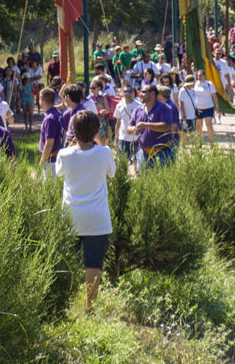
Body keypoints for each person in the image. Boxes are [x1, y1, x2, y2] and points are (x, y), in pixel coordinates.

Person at [54, 110, 116, 314]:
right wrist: (98, 141)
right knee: (93, 265)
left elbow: (59, 173)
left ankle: (64, 305)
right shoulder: (104, 153)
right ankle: (91, 308)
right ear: (96, 130)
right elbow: (112, 173)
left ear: (73, 131)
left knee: (66, 263)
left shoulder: (65, 154)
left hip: (71, 217)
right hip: (97, 218)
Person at [129, 84, 177, 169]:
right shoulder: (138, 109)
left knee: (164, 179)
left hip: (163, 152)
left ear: (152, 94)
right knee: (144, 180)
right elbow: (128, 128)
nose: (140, 94)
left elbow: (166, 126)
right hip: (144, 152)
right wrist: (134, 129)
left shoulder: (164, 108)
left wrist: (145, 125)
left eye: (143, 92)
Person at [112, 85, 141, 164]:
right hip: (123, 137)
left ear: (132, 93)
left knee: (136, 162)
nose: (127, 93)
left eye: (129, 91)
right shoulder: (119, 105)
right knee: (123, 162)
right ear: (122, 93)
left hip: (135, 138)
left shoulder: (138, 105)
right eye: (125, 91)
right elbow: (117, 124)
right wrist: (116, 139)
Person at [38, 87, 63, 178]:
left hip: (51, 161)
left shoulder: (49, 119)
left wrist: (41, 164)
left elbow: (49, 143)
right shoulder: (59, 114)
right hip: (59, 158)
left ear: (42, 100)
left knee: (49, 189)